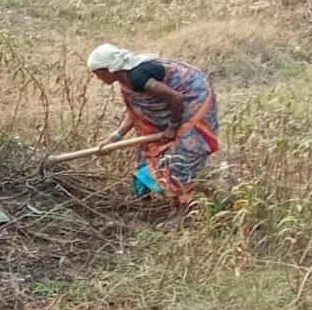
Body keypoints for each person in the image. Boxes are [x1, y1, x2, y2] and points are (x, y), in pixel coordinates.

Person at [87, 43, 219, 204]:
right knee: (148, 147)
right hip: (174, 101)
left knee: (184, 153)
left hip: (193, 96)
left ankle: (183, 207)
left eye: (97, 74)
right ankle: (157, 198)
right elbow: (137, 112)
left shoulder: (137, 76)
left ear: (108, 69)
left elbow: (176, 98)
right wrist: (115, 137)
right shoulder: (126, 79)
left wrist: (171, 127)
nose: (98, 79)